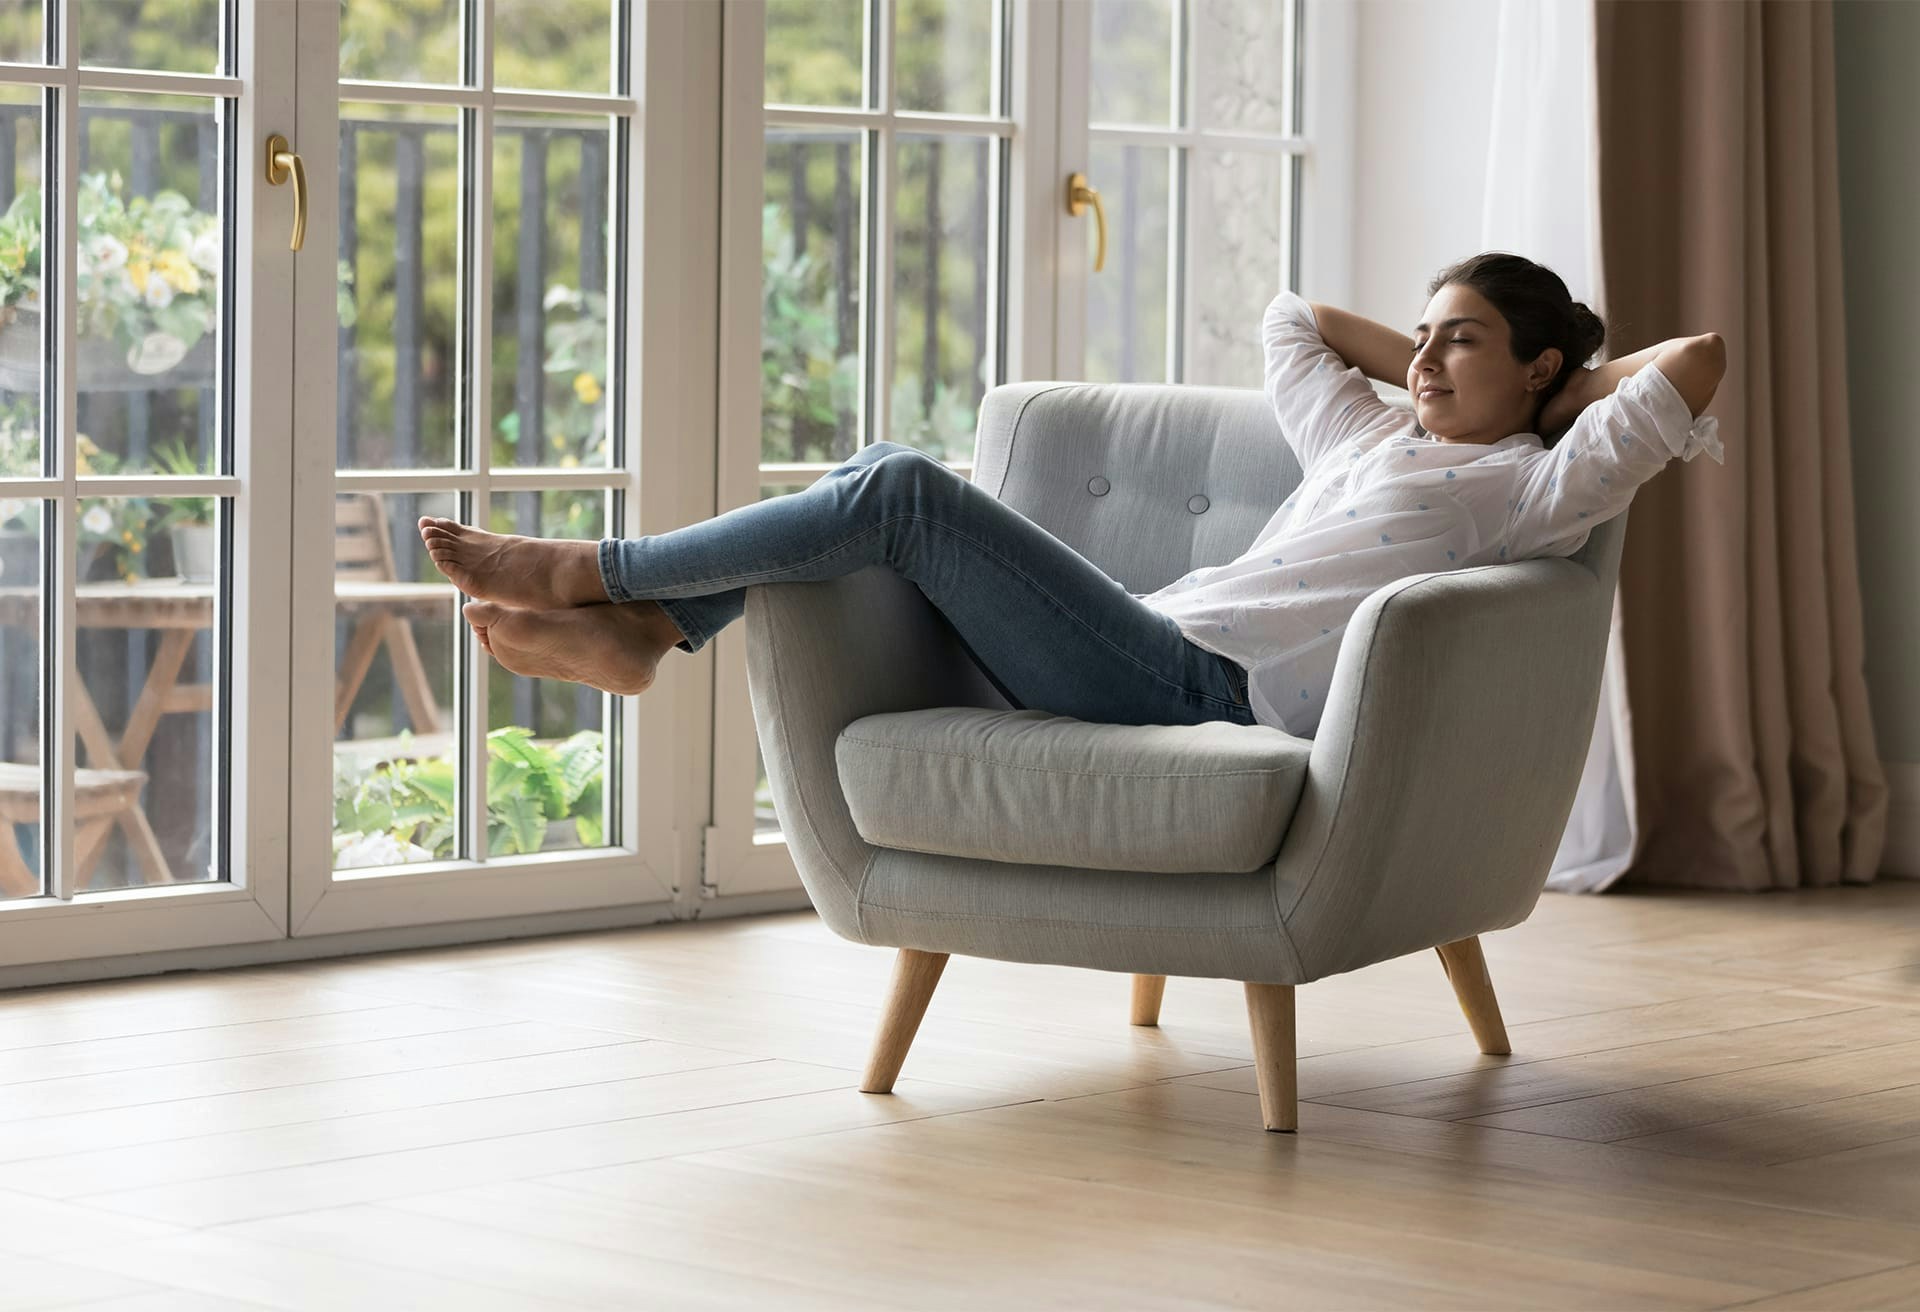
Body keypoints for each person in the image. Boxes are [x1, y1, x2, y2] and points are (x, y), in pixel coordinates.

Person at [418, 250, 1726, 739]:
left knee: (906, 492)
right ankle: (650, 630)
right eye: (1427, 336)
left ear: (1546, 373)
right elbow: (1292, 316)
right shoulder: (1366, 440)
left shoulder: (1534, 487)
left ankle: (604, 579)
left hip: (1204, 687)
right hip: (1148, 631)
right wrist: (1442, 357)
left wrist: (1561, 394)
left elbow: (1699, 363)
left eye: (1465, 343)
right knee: (880, 491)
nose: (1429, 358)